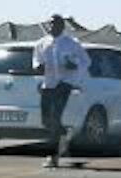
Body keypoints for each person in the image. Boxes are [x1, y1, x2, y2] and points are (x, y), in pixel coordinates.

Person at [32, 14, 90, 168]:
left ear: (62, 26)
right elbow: (36, 60)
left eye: (55, 24)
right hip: (48, 84)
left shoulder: (71, 43)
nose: (51, 27)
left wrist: (75, 65)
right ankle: (63, 135)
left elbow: (86, 61)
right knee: (46, 120)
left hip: (64, 83)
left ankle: (53, 156)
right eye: (50, 24)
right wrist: (38, 66)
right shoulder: (41, 43)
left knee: (55, 117)